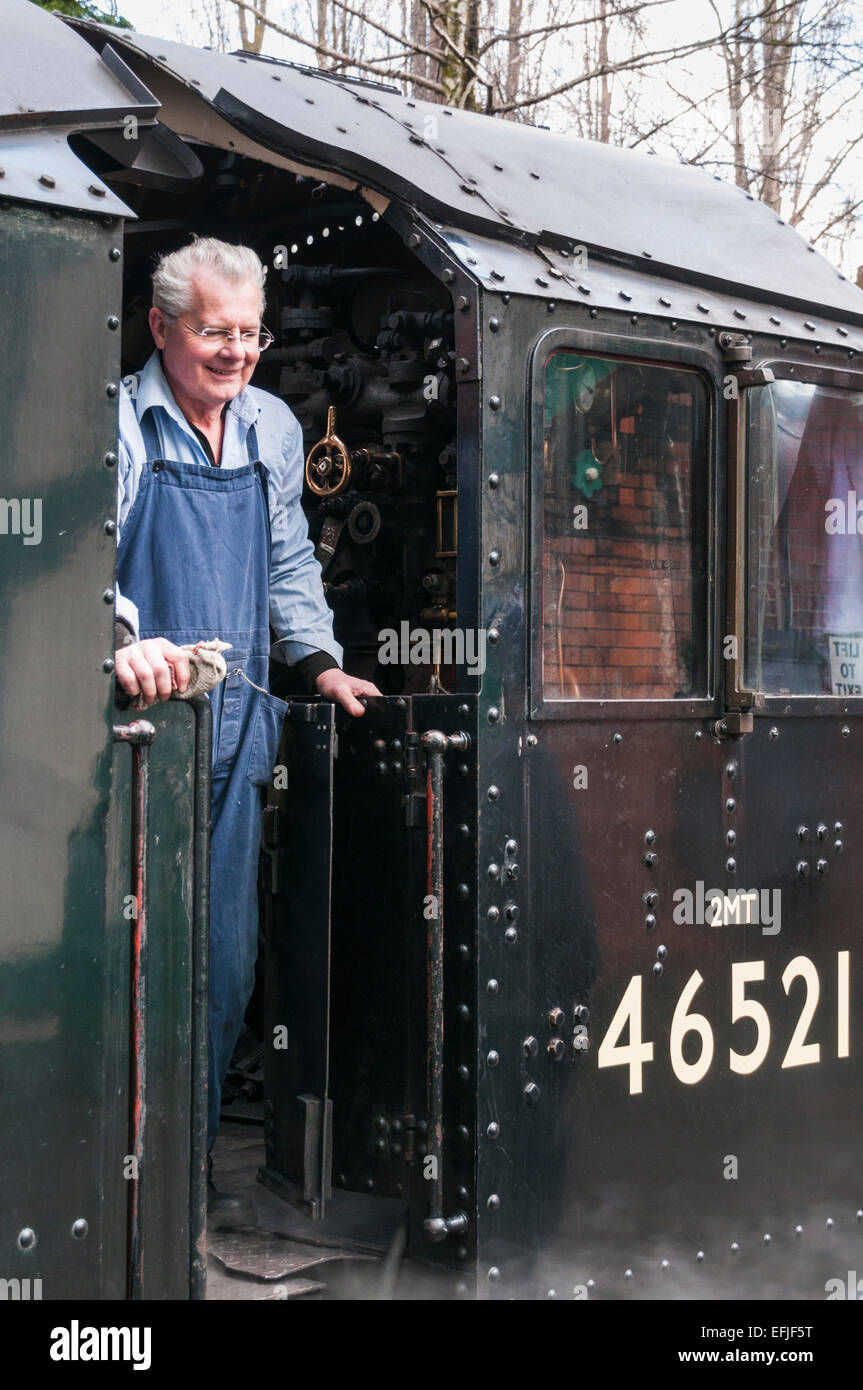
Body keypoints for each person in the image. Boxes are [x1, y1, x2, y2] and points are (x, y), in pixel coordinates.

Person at [113, 237, 379, 1229]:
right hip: (136, 734)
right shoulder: (123, 424)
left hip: (240, 732)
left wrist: (317, 661)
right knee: (135, 961)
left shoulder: (269, 425)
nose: (234, 352)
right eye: (212, 331)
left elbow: (286, 563)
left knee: (221, 964)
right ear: (159, 327)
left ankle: (182, 1178)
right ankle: (121, 1189)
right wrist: (123, 641)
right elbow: (77, 555)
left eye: (248, 333)